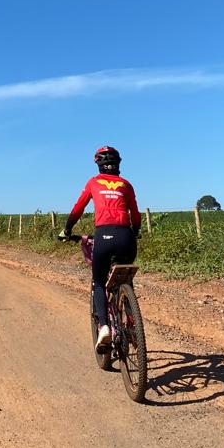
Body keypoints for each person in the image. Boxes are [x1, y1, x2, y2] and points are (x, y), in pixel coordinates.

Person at [63, 146, 140, 353]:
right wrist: (136, 231)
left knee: (99, 281)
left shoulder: (93, 182)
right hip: (126, 237)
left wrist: (67, 229)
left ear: (98, 164)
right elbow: (136, 214)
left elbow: (78, 207)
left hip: (103, 236)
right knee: (125, 277)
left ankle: (104, 326)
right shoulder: (126, 184)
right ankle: (131, 319)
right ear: (118, 164)